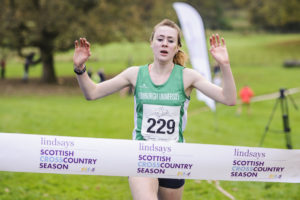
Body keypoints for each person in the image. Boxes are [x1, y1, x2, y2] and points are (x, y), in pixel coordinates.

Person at [73, 19, 236, 200]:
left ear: (177, 47)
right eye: (160, 39)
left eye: (170, 40)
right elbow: (92, 92)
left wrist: (225, 65)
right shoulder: (135, 74)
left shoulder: (187, 77)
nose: (164, 43)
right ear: (151, 43)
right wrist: (80, 69)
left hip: (174, 158)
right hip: (141, 156)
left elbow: (228, 99)